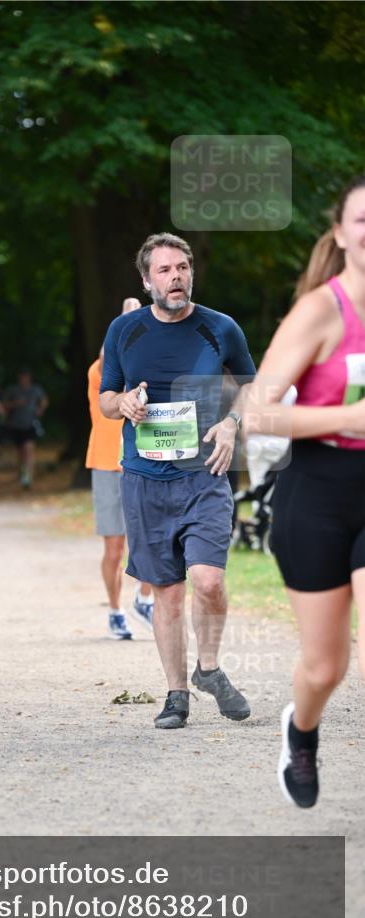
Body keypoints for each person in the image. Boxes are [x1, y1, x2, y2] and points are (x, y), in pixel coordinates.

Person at [100, 233, 256, 729]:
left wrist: (232, 425)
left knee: (207, 580)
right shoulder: (124, 330)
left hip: (203, 473)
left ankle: (208, 669)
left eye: (183, 267)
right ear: (146, 281)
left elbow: (252, 386)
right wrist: (122, 404)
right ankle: (176, 694)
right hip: (145, 478)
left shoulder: (220, 328)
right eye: (165, 270)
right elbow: (107, 398)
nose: (177, 277)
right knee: (166, 590)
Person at [243, 175, 365, 808]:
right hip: (318, 490)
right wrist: (347, 418)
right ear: (342, 233)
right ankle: (302, 729)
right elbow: (256, 411)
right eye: (363, 220)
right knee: (326, 668)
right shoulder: (322, 309)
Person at [86, 297, 154, 640]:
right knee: (114, 548)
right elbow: (103, 355)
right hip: (105, 463)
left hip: (143, 463)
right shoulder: (101, 371)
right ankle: (115, 610)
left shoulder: (146, 373)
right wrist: (127, 319)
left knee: (151, 540)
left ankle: (144, 599)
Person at [3, 369, 48, 489]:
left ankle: (29, 476)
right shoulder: (13, 390)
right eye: (22, 376)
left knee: (29, 449)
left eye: (26, 376)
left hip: (30, 424)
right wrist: (16, 404)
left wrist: (40, 410)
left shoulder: (35, 389)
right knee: (20, 452)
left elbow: (44, 400)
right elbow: (4, 405)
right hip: (16, 425)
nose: (24, 379)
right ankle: (21, 473)